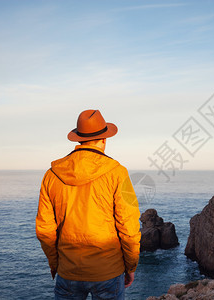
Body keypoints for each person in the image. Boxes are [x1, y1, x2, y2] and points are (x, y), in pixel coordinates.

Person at [36, 109, 141, 300]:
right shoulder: (117, 173)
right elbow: (129, 226)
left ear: (79, 139)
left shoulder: (51, 175)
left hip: (68, 271)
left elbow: (44, 230)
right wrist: (131, 265)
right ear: (104, 139)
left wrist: (56, 265)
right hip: (108, 271)